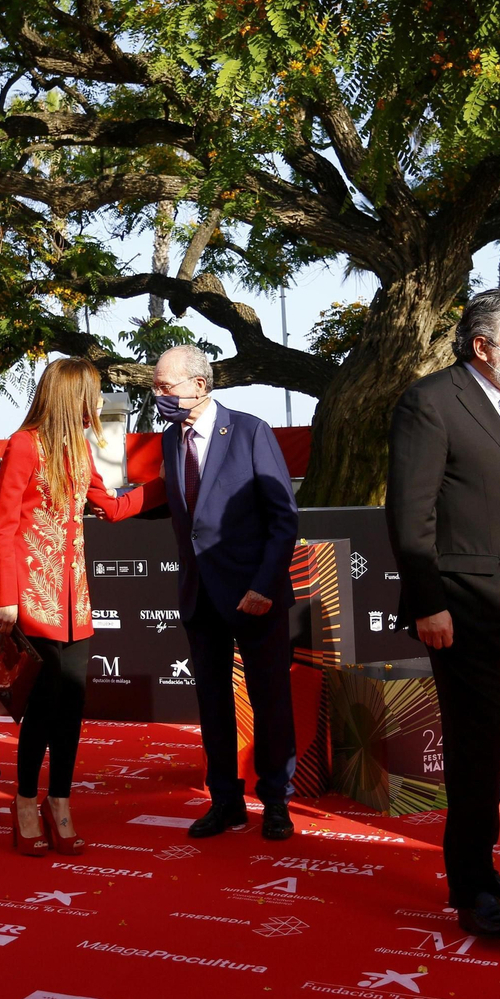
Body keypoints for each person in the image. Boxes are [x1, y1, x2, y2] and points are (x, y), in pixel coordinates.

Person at [385, 287, 500, 940]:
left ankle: (484, 873)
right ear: (483, 345)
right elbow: (410, 514)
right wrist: (428, 601)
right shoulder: (431, 402)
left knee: (490, 744)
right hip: (460, 607)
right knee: (473, 748)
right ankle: (471, 886)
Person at [0, 359, 165, 856]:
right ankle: (26, 802)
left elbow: (111, 507)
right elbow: (3, 525)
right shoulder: (24, 444)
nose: (99, 401)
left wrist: (167, 483)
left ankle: (60, 802)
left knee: (71, 708)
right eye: (94, 392)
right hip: (34, 599)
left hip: (76, 601)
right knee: (43, 707)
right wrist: (6, 598)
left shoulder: (80, 448)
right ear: (73, 396)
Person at [152, 345, 300, 842]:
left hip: (254, 595)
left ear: (199, 385)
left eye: (165, 386)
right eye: (155, 387)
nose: (158, 395)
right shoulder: (170, 440)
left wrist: (263, 585)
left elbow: (283, 517)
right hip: (200, 595)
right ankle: (225, 802)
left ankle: (276, 802)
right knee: (213, 704)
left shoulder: (250, 431)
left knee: (269, 700)